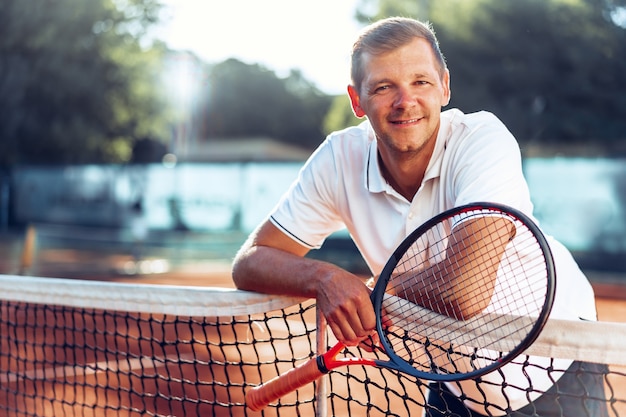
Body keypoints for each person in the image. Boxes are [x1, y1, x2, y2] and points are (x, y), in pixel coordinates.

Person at [232, 17, 607, 417]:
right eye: (382, 87)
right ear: (356, 101)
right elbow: (250, 261)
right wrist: (324, 278)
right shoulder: (338, 158)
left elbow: (466, 290)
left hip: (552, 363)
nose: (404, 101)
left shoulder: (482, 140)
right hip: (455, 379)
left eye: (420, 82)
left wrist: (375, 295)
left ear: (445, 86)